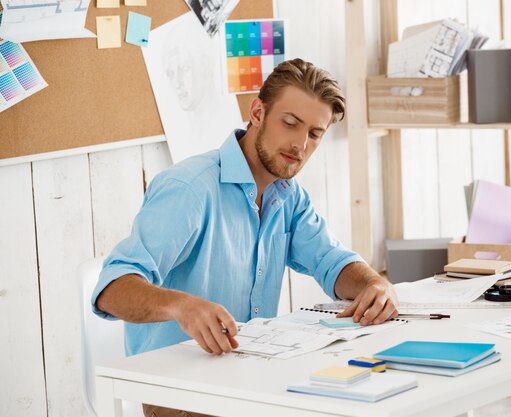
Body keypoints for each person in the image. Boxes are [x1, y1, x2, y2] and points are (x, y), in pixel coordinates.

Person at [92, 57, 398, 367]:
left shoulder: (289, 196)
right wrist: (181, 307)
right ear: (257, 113)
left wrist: (376, 285)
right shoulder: (190, 189)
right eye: (290, 123)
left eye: (315, 134)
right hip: (175, 387)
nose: (300, 145)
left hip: (249, 372)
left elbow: (332, 262)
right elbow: (111, 289)